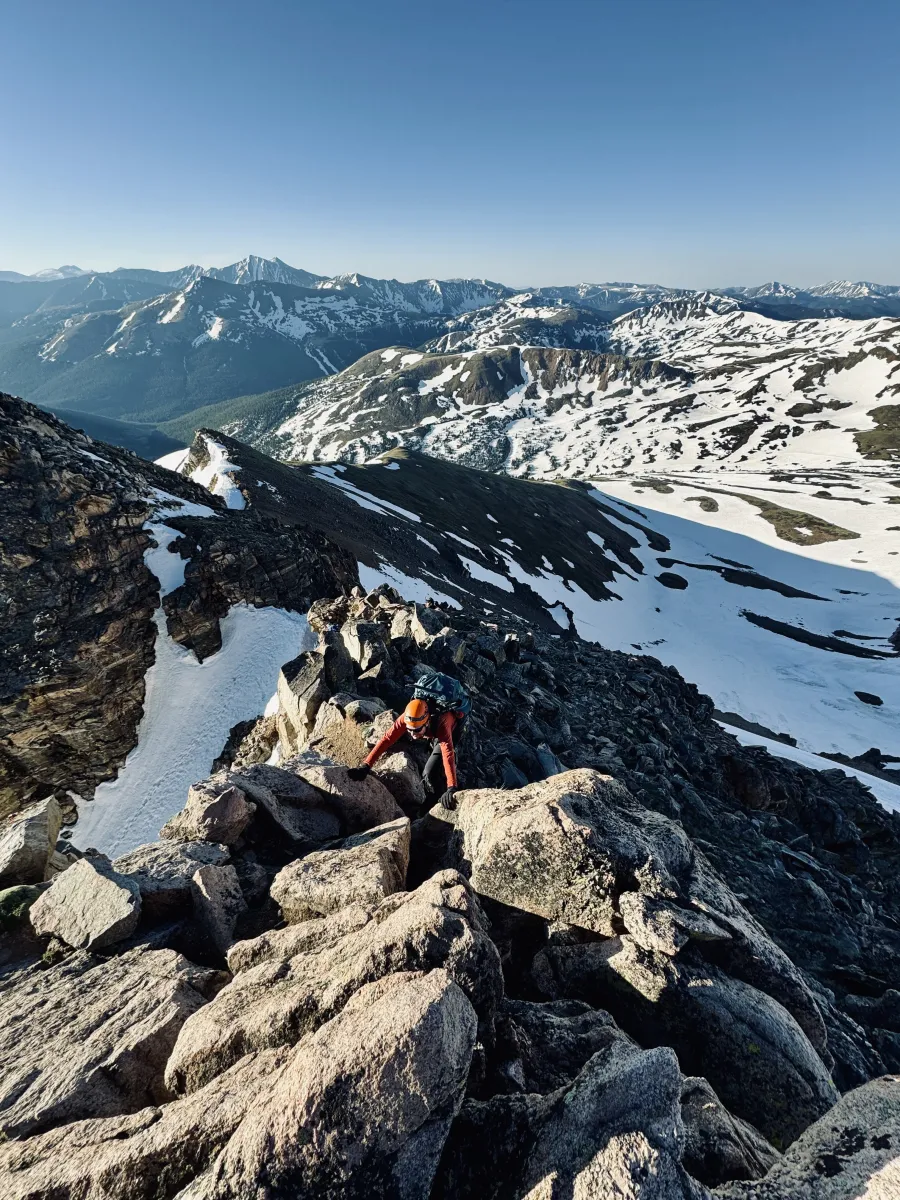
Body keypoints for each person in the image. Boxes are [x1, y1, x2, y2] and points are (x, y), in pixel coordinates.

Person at [348, 691, 466, 810]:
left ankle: (437, 802)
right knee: (433, 764)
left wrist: (452, 787)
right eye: (409, 730)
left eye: (417, 730)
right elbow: (386, 739)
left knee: (429, 772)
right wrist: (366, 765)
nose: (413, 735)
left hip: (451, 731)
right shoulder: (408, 717)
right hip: (432, 730)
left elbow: (448, 753)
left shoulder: (443, 721)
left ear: (427, 721)